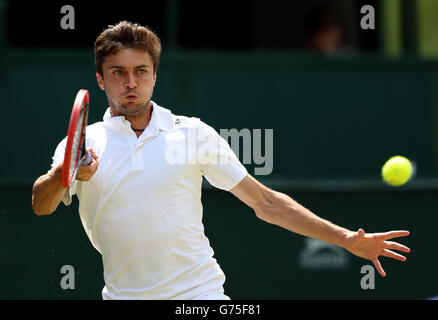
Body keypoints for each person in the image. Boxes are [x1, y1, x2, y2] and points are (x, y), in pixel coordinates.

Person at [31, 21, 410, 300]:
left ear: (154, 76)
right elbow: (40, 205)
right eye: (118, 73)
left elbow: (265, 203)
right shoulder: (82, 142)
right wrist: (65, 174)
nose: (131, 83)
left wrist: (346, 239)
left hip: (201, 296)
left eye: (141, 72)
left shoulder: (192, 133)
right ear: (100, 79)